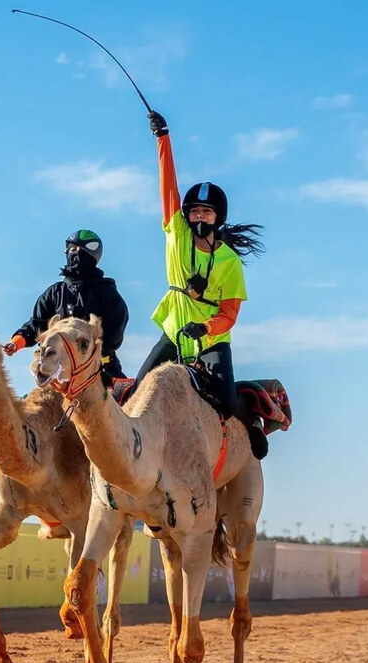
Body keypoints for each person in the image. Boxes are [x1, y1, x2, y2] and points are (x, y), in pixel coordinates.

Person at [134, 108, 268, 459]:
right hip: (174, 332)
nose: (198, 216)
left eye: (206, 213)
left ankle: (252, 418)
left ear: (218, 219)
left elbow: (229, 314)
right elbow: (168, 188)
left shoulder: (229, 262)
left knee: (224, 402)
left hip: (211, 339)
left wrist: (205, 328)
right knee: (137, 391)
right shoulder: (175, 235)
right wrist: (163, 139)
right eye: (193, 211)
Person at [3, 229, 130, 384]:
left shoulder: (107, 294)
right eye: (71, 249)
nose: (74, 253)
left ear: (92, 256)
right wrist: (15, 343)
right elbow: (36, 325)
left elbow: (114, 335)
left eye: (79, 250)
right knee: (33, 407)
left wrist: (86, 353)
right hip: (57, 372)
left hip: (101, 369)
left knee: (129, 401)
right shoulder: (54, 293)